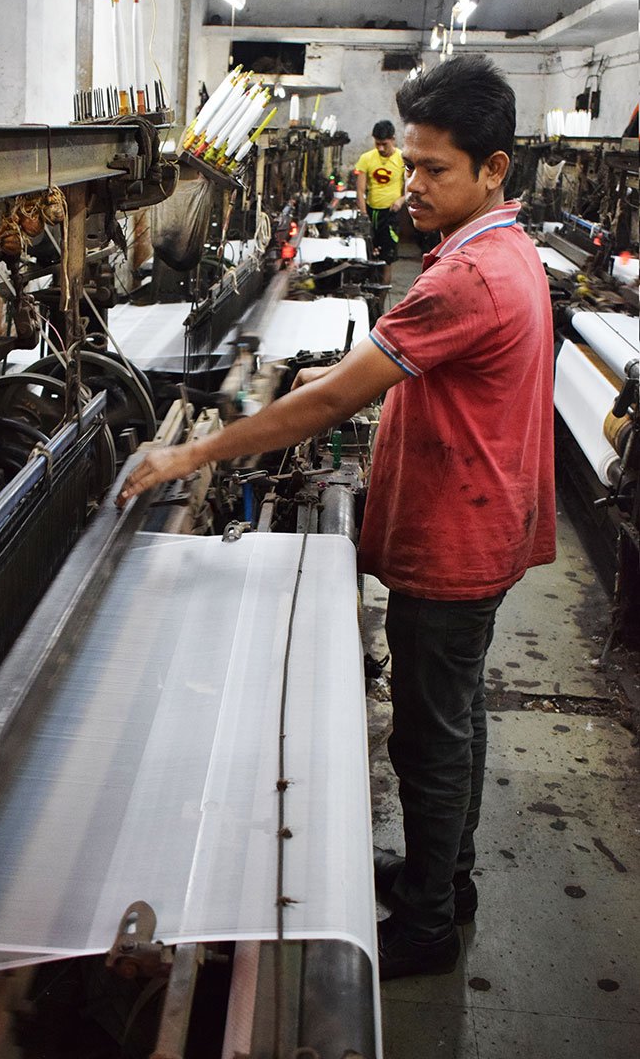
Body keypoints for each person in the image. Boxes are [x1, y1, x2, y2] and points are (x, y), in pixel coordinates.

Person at [116, 55, 556, 981]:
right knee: (458, 714)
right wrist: (332, 378)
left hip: (452, 539)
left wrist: (189, 452)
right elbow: (404, 377)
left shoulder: (466, 276)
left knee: (428, 733)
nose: (413, 184)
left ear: (494, 170)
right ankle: (450, 876)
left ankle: (428, 924)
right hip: (486, 523)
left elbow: (324, 410)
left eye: (436, 169)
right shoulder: (500, 254)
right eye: (414, 164)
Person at [354, 119, 406, 287]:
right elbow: (360, 191)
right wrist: (363, 215)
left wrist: (401, 200)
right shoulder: (366, 158)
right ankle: (368, 293)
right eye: (377, 144)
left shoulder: (403, 159)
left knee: (386, 260)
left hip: (389, 215)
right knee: (367, 254)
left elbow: (411, 188)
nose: (381, 148)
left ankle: (381, 301)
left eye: (384, 144)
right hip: (371, 212)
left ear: (393, 139)